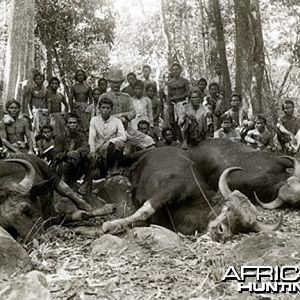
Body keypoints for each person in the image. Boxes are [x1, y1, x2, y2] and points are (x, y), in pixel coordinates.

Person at [79, 97, 127, 194]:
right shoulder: (94, 120)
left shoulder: (117, 121)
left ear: (111, 109)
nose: (105, 110)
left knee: (119, 144)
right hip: (98, 150)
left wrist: (109, 142)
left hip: (111, 151)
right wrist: (92, 151)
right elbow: (91, 138)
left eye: (108, 108)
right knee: (92, 162)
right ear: (99, 109)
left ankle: (113, 169)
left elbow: (123, 136)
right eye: (103, 108)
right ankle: (87, 183)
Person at [105, 68, 155, 150]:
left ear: (121, 82)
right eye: (113, 82)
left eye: (118, 82)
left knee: (148, 141)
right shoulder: (105, 96)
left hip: (128, 130)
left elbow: (132, 112)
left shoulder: (126, 96)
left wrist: (126, 117)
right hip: (110, 131)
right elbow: (101, 115)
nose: (116, 85)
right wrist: (119, 117)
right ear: (109, 82)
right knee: (116, 147)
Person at [51, 113, 89, 187]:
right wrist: (67, 154)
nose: (72, 125)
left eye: (74, 123)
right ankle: (64, 184)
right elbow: (56, 154)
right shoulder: (60, 137)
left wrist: (77, 152)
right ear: (67, 125)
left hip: (78, 163)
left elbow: (86, 148)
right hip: (64, 164)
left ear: (78, 124)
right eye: (70, 123)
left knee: (90, 159)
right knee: (64, 163)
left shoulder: (82, 136)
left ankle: (86, 184)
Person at [167, 63, 190, 141]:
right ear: (171, 71)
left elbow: (188, 92)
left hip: (183, 103)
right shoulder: (170, 83)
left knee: (184, 122)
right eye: (173, 70)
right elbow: (169, 95)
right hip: (174, 105)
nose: (175, 71)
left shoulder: (184, 81)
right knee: (174, 123)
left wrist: (179, 97)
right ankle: (180, 140)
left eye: (177, 69)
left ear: (180, 70)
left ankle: (186, 139)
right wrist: (169, 106)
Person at [27, 72, 49, 136]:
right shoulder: (32, 90)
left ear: (43, 79)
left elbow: (48, 102)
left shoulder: (46, 90)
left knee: (44, 129)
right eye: (37, 79)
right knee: (35, 130)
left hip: (43, 112)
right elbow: (28, 102)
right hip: (35, 111)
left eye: (40, 79)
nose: (39, 80)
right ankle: (35, 143)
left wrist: (48, 112)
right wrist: (30, 114)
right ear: (34, 80)